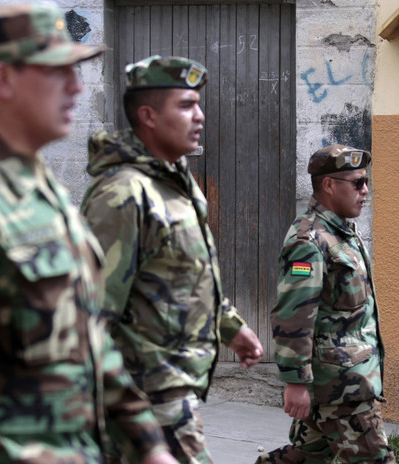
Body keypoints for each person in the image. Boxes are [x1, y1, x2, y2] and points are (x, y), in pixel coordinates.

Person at [0, 4, 176, 464]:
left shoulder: (41, 186)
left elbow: (86, 335)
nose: (76, 87)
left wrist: (146, 441)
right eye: (57, 71)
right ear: (3, 80)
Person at [81, 55, 264, 464]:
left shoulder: (175, 185)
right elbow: (89, 317)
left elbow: (188, 275)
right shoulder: (122, 195)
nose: (200, 116)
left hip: (173, 388)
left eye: (199, 104)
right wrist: (128, 419)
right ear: (147, 116)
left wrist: (229, 327)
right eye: (185, 105)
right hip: (144, 396)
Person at [257, 145, 395, 464]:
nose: (365, 190)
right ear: (330, 185)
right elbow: (294, 314)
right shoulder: (309, 241)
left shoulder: (342, 234)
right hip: (341, 386)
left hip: (348, 376)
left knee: (308, 456)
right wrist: (294, 382)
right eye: (357, 183)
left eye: (366, 182)